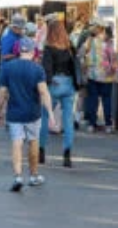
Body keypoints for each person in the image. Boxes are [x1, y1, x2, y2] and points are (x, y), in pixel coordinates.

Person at [0, 33, 55, 192]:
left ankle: (18, 176)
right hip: (33, 113)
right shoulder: (37, 69)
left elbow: (2, 93)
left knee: (17, 142)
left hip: (14, 113)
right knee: (33, 142)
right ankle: (34, 176)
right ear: (33, 52)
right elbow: (44, 92)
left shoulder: (7, 68)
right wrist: (50, 113)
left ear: (17, 51)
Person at [40, 18, 78, 168]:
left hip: (54, 83)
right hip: (68, 83)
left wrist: (47, 82)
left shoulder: (49, 48)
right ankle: (67, 153)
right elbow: (75, 66)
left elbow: (46, 68)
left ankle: (41, 150)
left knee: (44, 116)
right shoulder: (69, 47)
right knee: (68, 120)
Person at [80, 19, 118, 132]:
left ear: (99, 29)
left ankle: (92, 124)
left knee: (93, 99)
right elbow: (114, 58)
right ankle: (108, 125)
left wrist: (84, 64)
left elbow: (81, 53)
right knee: (107, 100)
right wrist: (116, 73)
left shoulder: (90, 41)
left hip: (93, 75)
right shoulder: (109, 42)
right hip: (107, 76)